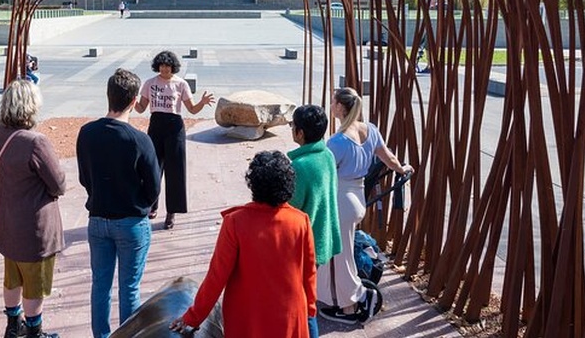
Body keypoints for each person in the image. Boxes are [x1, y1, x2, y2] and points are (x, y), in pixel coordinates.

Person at [169, 151, 317, 337]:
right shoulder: (301, 221)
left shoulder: (235, 222)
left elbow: (217, 277)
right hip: (289, 317)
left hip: (247, 319)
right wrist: (310, 310)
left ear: (253, 184)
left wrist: (192, 317)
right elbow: (309, 274)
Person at [77, 68, 161, 338]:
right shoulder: (140, 140)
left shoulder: (87, 133)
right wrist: (144, 204)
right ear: (135, 101)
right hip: (131, 220)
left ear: (108, 96)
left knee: (100, 285)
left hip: (98, 217)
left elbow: (84, 176)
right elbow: (154, 187)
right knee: (130, 287)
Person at [318, 87, 413, 324]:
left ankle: (351, 305)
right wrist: (402, 169)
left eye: (333, 103)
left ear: (340, 107)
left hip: (341, 199)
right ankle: (332, 295)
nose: (331, 106)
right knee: (338, 252)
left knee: (341, 255)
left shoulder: (337, 141)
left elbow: (324, 174)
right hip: (357, 198)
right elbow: (388, 157)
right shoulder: (370, 130)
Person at [0, 79, 65, 338]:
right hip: (34, 226)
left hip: (7, 220)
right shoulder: (36, 142)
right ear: (31, 106)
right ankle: (35, 331)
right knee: (36, 284)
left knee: (12, 277)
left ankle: (13, 326)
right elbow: (58, 183)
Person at [134, 50, 214, 230]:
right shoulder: (150, 83)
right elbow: (141, 108)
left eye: (167, 66)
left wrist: (202, 102)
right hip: (155, 125)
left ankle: (172, 212)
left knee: (175, 170)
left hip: (174, 127)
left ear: (173, 67)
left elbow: (192, 110)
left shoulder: (181, 84)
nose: (164, 69)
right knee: (152, 168)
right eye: (161, 65)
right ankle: (151, 204)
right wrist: (130, 101)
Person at [287, 105, 342, 338]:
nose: (291, 129)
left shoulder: (300, 166)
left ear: (300, 133)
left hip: (303, 246)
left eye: (292, 125)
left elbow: (288, 210)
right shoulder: (326, 154)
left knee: (303, 304)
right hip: (321, 237)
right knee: (306, 298)